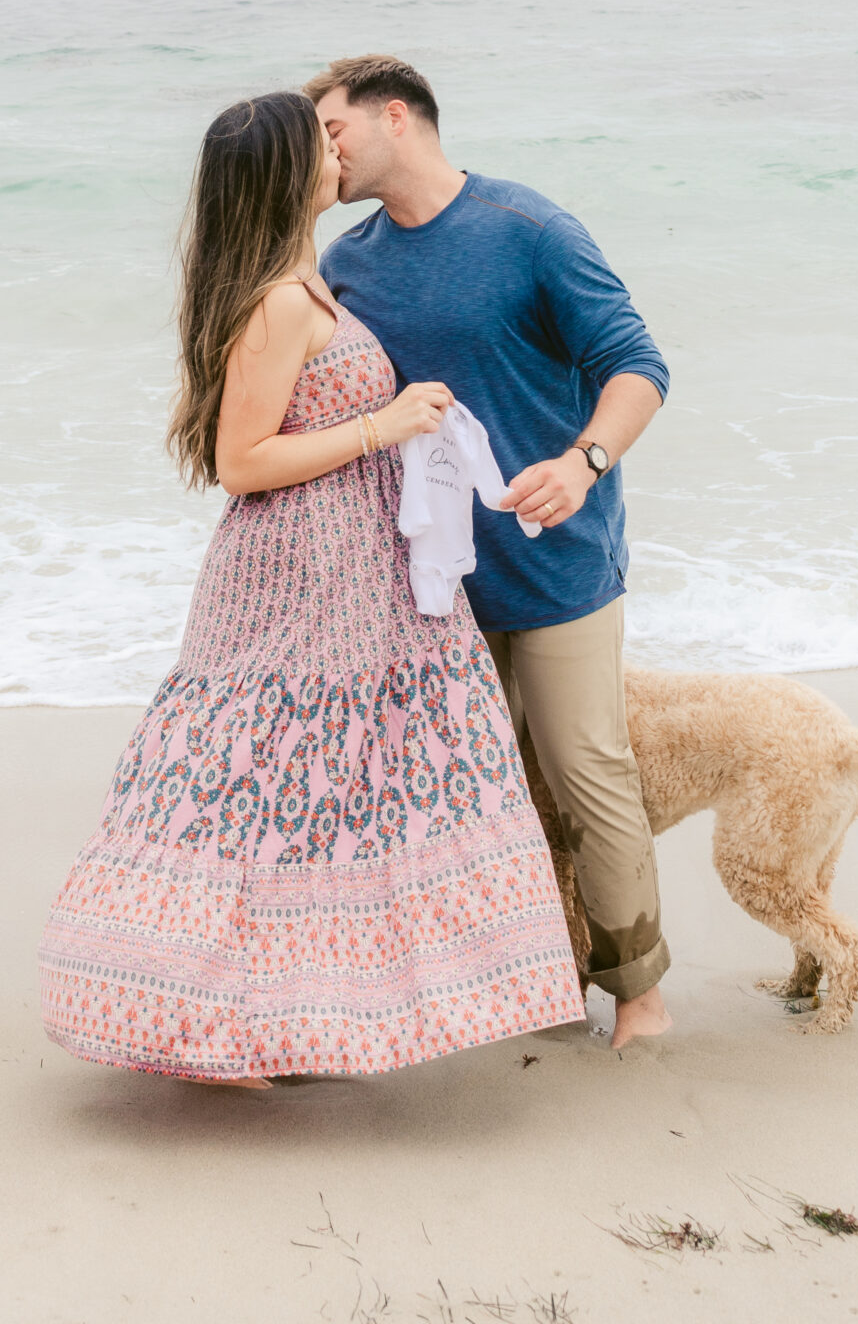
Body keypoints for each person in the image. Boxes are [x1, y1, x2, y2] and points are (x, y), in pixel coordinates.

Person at [39, 90, 584, 1089]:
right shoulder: (280, 300)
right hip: (293, 576)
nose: (337, 150)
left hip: (348, 571)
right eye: (318, 140)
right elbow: (237, 458)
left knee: (324, 791)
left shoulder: (307, 281)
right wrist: (388, 422)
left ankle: (307, 1014)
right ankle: (206, 1018)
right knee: (259, 785)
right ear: (288, 173)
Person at [310, 54, 673, 1051]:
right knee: (472, 791)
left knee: (583, 767)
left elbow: (637, 364)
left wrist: (583, 459)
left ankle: (637, 990)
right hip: (429, 580)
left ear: (396, 116)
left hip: (555, 557)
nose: (322, 152)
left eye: (332, 130)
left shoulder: (529, 231)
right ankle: (512, 977)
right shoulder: (345, 263)